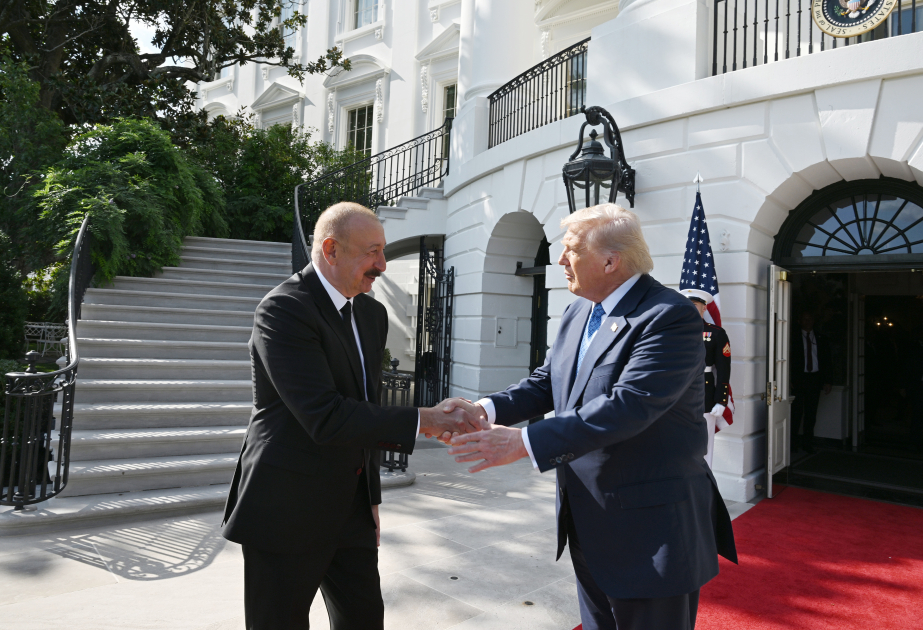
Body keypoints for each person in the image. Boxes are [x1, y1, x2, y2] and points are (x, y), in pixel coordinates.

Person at [443, 204, 737, 630]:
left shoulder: (669, 316)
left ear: (610, 260)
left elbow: (629, 405)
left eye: (570, 250)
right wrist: (484, 409)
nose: (559, 260)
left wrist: (523, 443)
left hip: (649, 531)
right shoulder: (580, 309)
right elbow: (550, 381)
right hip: (589, 524)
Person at [221, 202, 484, 630]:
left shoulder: (371, 312)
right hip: (286, 507)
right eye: (373, 252)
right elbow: (325, 416)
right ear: (331, 250)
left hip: (352, 507)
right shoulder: (283, 311)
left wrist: (371, 501)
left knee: (364, 620)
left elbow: (367, 407)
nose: (382, 264)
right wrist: (427, 419)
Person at [686, 293, 731, 468]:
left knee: (705, 449)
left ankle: (705, 491)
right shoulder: (672, 331)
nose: (691, 308)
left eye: (695, 304)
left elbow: (723, 369)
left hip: (704, 397)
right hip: (677, 399)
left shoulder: (716, 333)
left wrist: (721, 400)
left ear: (704, 307)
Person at [790, 310, 831, 454]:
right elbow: (787, 360)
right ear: (799, 321)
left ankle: (807, 443)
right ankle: (792, 444)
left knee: (811, 414)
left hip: (814, 379)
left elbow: (827, 361)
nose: (808, 322)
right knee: (795, 413)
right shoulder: (792, 338)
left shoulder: (821, 338)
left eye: (810, 319)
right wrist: (788, 379)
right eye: (805, 319)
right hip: (798, 380)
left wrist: (827, 381)